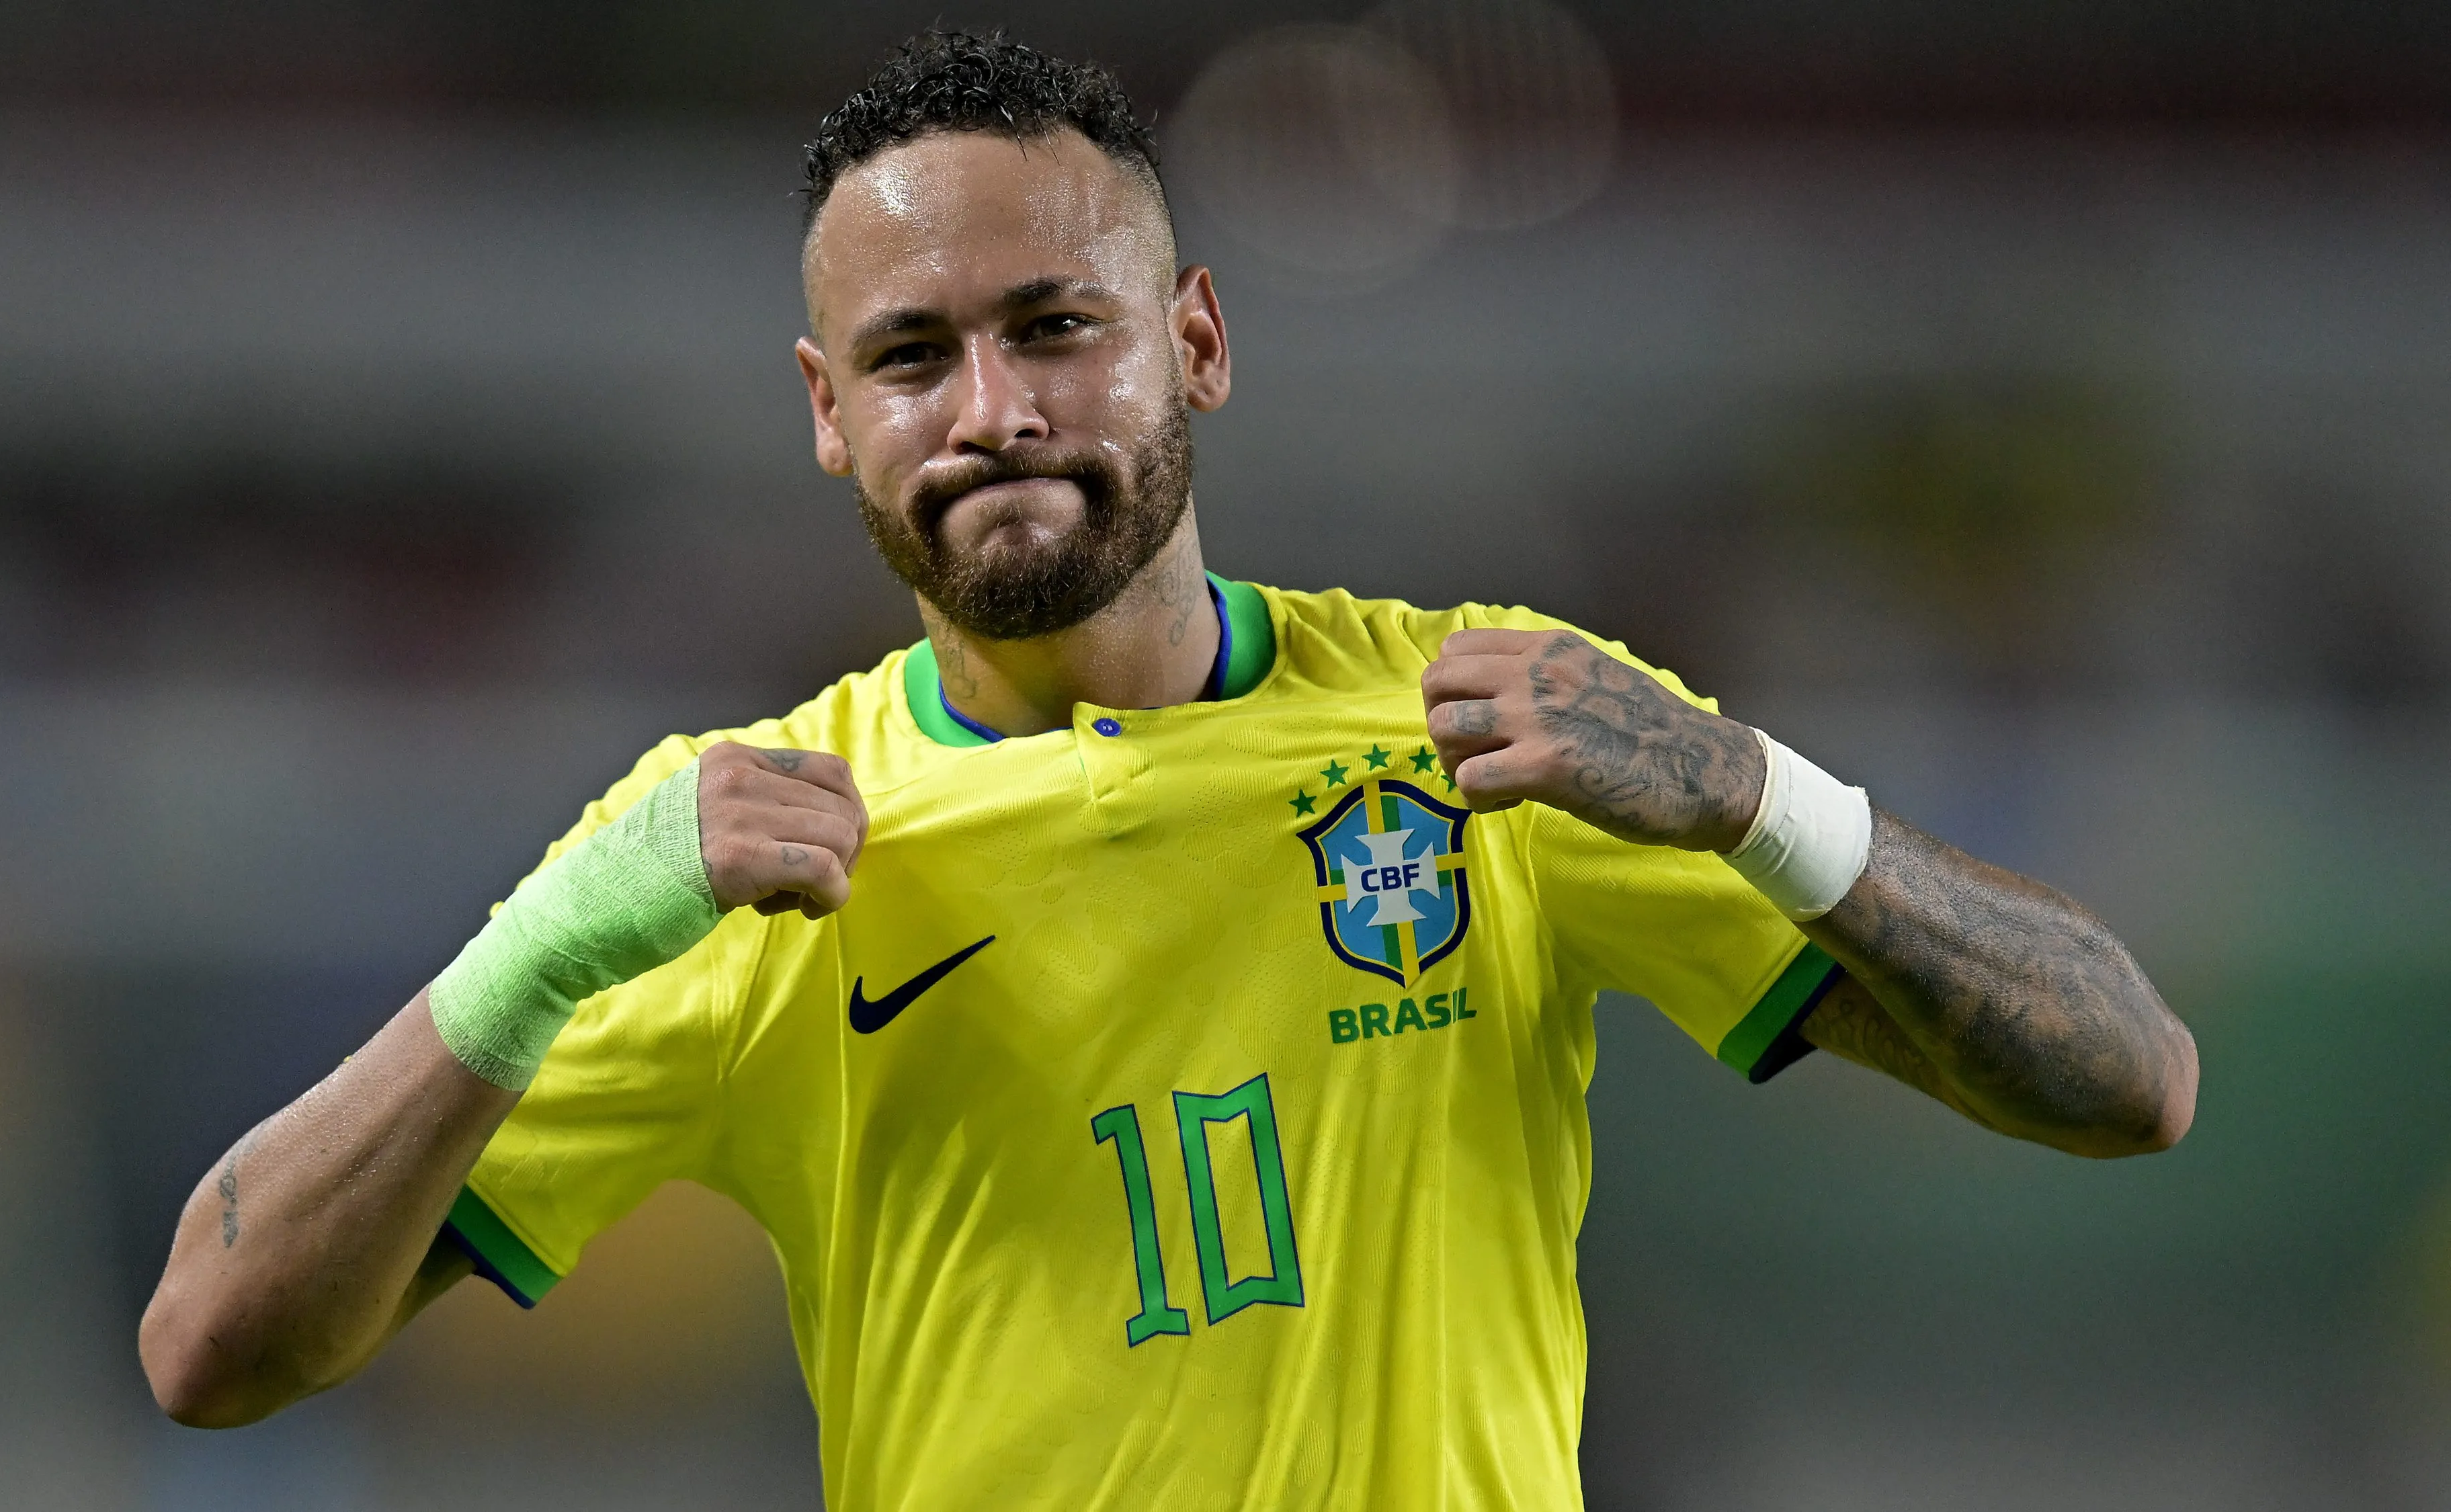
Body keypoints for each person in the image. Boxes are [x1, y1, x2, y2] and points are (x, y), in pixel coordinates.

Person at [138, 30, 2198, 1509]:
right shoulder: (749, 853)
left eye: (1060, 327)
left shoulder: (1494, 739)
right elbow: (209, 1357)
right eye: (912, 357)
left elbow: (2130, 1082)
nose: (995, 410)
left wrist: (1760, 793)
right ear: (826, 414)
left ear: (1195, 340)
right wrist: (538, 956)